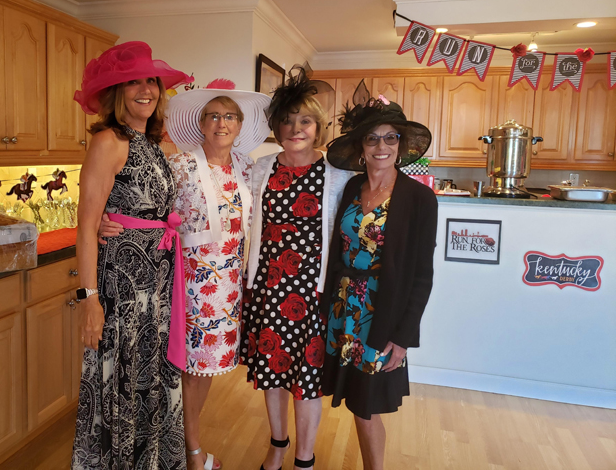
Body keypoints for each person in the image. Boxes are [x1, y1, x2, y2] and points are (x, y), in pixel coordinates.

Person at [99, 80, 271, 470]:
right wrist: (104, 221)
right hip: (183, 281)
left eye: (230, 116)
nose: (222, 123)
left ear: (239, 124)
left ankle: (178, 443)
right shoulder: (180, 165)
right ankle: (190, 451)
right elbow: (139, 200)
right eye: (214, 116)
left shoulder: (248, 168)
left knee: (204, 368)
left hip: (228, 286)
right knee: (183, 370)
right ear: (201, 123)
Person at [71, 41, 193, 470]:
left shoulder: (155, 143)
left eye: (151, 81)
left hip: (156, 286)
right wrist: (88, 299)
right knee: (122, 378)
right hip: (122, 288)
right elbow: (86, 226)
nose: (146, 90)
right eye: (133, 82)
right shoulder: (109, 141)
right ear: (116, 93)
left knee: (151, 379)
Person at [240, 66, 355, 470]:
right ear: (277, 127)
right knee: (272, 368)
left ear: (318, 127)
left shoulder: (338, 173)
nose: (295, 129)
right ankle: (278, 444)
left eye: (305, 121)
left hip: (314, 288)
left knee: (307, 378)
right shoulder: (261, 168)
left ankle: (304, 457)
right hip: (269, 285)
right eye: (287, 121)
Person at [322, 81, 438, 470]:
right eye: (372, 138)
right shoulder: (352, 187)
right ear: (361, 146)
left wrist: (403, 337)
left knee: (367, 405)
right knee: (355, 401)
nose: (381, 146)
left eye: (391, 137)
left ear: (401, 145)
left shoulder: (419, 198)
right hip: (342, 309)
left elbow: (422, 275)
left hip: (380, 313)